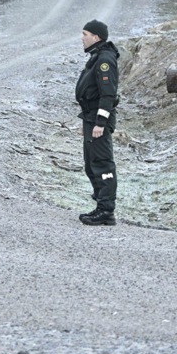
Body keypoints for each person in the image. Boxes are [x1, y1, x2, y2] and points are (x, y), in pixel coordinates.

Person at [75, 19, 120, 226]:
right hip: (90, 118)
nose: (82, 39)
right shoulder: (96, 57)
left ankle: (106, 211)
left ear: (96, 37)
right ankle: (100, 203)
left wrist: (100, 123)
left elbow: (108, 94)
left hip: (97, 119)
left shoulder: (104, 59)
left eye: (85, 34)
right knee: (91, 164)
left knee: (102, 164)